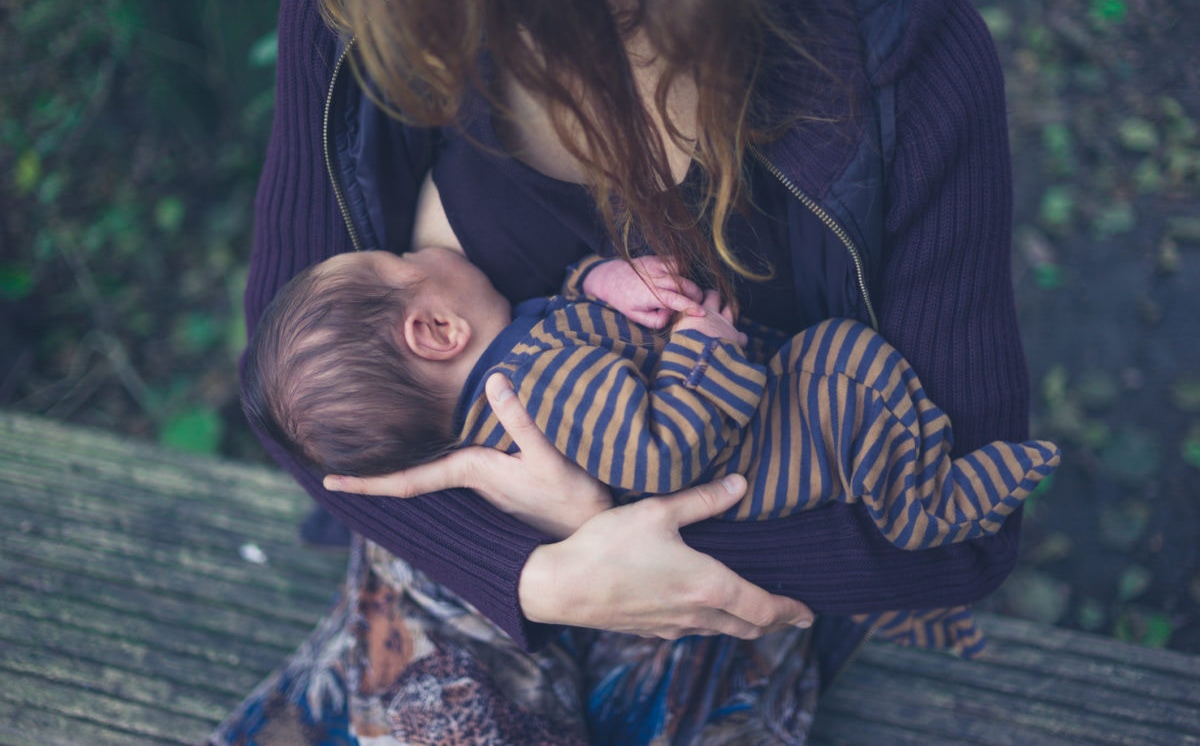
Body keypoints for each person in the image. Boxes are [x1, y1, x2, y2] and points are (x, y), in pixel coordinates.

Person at [212, 0, 1034, 742]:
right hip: (451, 552)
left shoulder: (899, 69)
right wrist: (533, 572)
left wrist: (608, 529)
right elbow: (298, 406)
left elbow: (963, 537)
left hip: (717, 598)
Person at [244, 246, 1058, 552]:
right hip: (781, 443)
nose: (425, 244)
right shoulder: (541, 384)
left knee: (851, 367)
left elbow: (564, 318)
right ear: (435, 329)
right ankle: (925, 504)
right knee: (848, 367)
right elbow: (661, 452)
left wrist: (598, 280)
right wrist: (702, 351)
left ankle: (921, 471)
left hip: (767, 427)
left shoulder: (517, 362)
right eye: (399, 255)